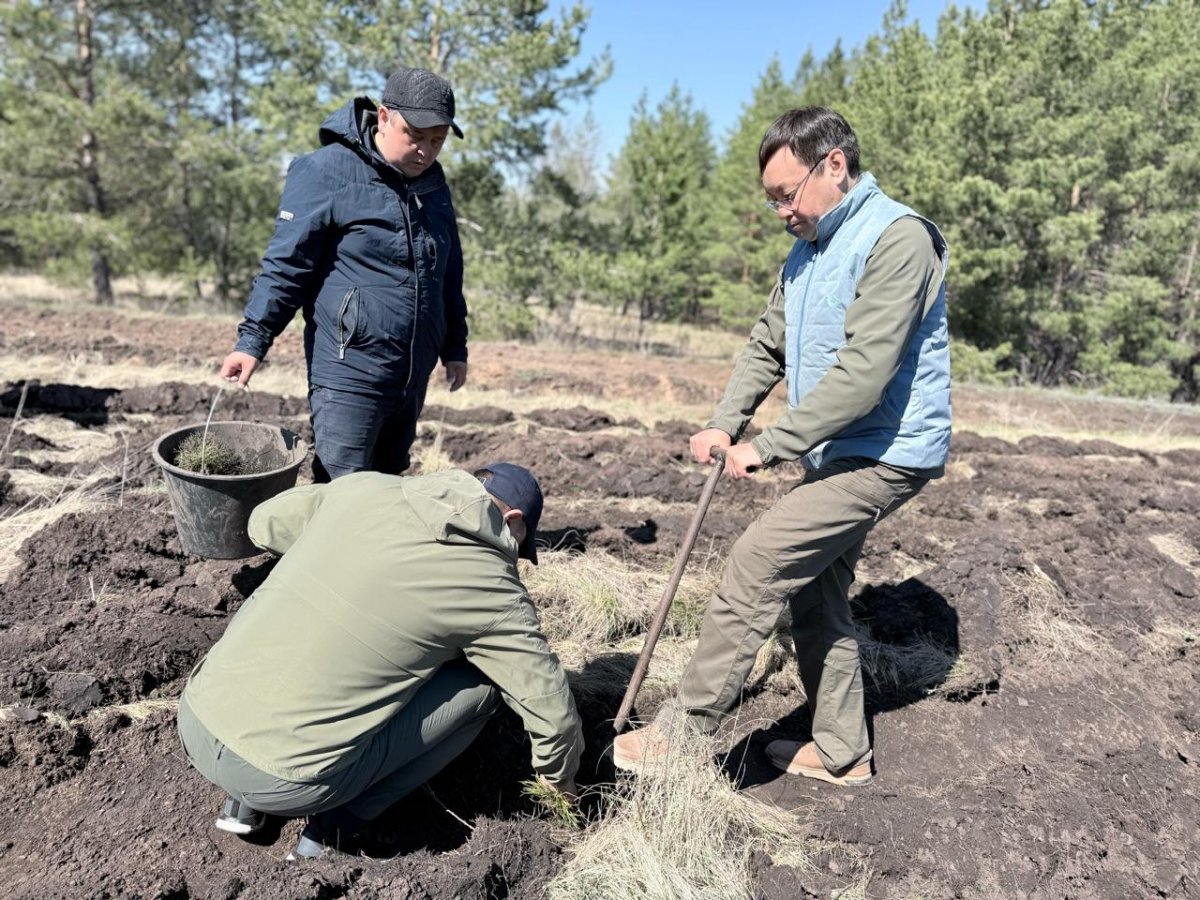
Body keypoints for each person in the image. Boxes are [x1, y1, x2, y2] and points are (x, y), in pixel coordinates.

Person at [612, 107, 952, 786]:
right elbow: (769, 342)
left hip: (887, 452)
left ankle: (683, 734)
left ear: (834, 166)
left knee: (759, 560)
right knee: (815, 591)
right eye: (771, 200)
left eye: (785, 195)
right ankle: (841, 752)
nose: (779, 212)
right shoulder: (809, 252)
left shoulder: (899, 239)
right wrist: (724, 422)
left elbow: (866, 373)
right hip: (839, 449)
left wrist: (770, 444)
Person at [176, 463, 583, 859]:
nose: (515, 560)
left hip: (194, 719)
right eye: (520, 543)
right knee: (482, 690)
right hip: (288, 783)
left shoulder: (366, 488)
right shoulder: (495, 590)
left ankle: (243, 803)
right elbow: (553, 715)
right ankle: (334, 829)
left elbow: (263, 523)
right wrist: (559, 784)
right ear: (512, 519)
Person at [219, 66, 469, 483]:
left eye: (437, 140)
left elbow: (447, 270)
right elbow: (286, 265)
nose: (426, 151)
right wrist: (252, 341)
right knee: (342, 487)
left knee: (389, 485)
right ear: (384, 117)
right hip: (349, 367)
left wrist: (454, 345)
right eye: (415, 136)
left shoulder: (432, 185)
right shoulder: (326, 172)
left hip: (411, 373)